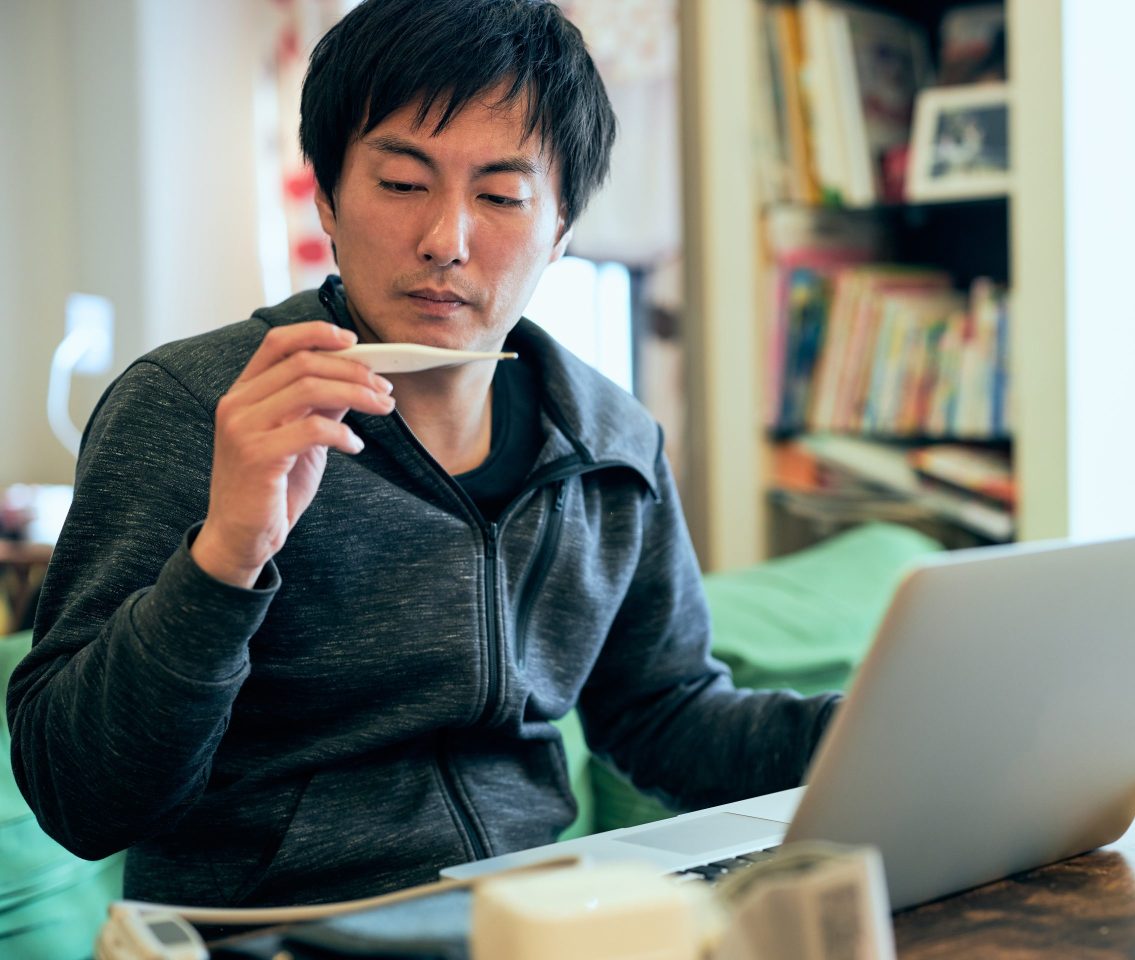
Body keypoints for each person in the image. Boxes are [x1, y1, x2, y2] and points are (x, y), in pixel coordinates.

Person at [6, 0, 838, 908]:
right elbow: (80, 798)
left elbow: (664, 715)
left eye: (501, 196)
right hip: (271, 933)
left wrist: (876, 728)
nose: (446, 241)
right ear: (327, 196)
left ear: (561, 228)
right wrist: (226, 558)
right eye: (402, 184)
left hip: (528, 920)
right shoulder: (194, 408)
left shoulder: (612, 443)